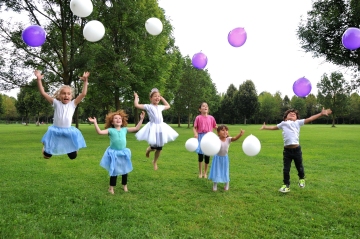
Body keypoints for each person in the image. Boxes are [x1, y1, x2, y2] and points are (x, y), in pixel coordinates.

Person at [260, 107, 332, 193]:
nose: (292, 114)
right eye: (289, 113)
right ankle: (286, 185)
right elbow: (273, 127)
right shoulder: (283, 123)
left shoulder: (298, 123)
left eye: (294, 114)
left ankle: (301, 178)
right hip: (287, 151)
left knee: (299, 167)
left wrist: (321, 114)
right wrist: (265, 127)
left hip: (297, 150)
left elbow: (310, 118)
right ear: (285, 117)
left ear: (297, 118)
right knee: (286, 169)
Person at [34, 70, 89, 159]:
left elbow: (83, 94)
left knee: (72, 157)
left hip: (68, 131)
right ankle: (45, 147)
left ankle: (73, 148)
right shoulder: (56, 103)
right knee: (46, 156)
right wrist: (39, 80)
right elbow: (43, 93)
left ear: (71, 96)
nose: (66, 95)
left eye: (68, 94)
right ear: (59, 96)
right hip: (55, 131)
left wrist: (85, 81)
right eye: (63, 93)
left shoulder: (73, 104)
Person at [88, 110, 145, 194]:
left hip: (123, 153)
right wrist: (95, 122)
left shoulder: (124, 129)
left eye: (119, 118)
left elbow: (136, 128)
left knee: (125, 170)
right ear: (112, 121)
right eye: (115, 118)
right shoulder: (110, 130)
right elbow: (100, 132)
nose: (118, 119)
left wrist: (141, 119)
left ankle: (125, 186)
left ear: (122, 121)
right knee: (113, 170)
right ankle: (111, 188)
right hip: (114, 153)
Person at [133, 88, 179, 170]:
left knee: (160, 147)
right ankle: (148, 149)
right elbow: (136, 105)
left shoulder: (160, 107)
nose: (157, 98)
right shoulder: (148, 106)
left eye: (158, 96)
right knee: (154, 147)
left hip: (161, 127)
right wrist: (136, 97)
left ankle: (154, 161)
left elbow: (168, 106)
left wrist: (162, 98)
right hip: (153, 127)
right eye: (155, 96)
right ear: (151, 98)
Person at [209, 125, 245, 191]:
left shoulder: (228, 139)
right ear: (218, 132)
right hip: (217, 158)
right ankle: (215, 185)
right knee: (217, 171)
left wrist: (240, 134)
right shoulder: (216, 139)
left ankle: (227, 184)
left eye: (226, 130)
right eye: (223, 130)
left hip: (225, 158)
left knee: (225, 171)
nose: (225, 131)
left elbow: (234, 138)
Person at [193, 102, 217, 178]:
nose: (205, 107)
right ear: (200, 109)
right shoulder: (198, 118)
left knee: (207, 156)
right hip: (200, 137)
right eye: (203, 106)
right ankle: (200, 172)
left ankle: (205, 172)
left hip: (209, 138)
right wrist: (195, 134)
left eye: (206, 106)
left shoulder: (211, 118)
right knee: (200, 155)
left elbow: (215, 126)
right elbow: (194, 127)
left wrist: (221, 130)